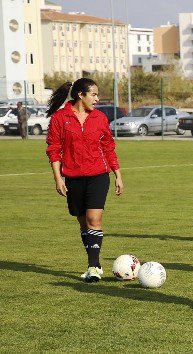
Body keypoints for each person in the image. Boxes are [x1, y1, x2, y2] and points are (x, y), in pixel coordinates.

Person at [45, 78, 124, 282]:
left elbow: (108, 147)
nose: (97, 99)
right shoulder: (60, 118)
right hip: (73, 179)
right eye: (94, 95)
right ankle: (93, 261)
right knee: (83, 223)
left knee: (94, 220)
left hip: (99, 175)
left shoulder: (99, 118)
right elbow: (54, 150)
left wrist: (118, 175)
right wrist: (58, 178)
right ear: (81, 94)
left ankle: (94, 267)